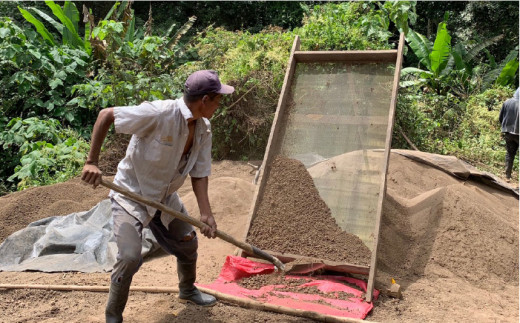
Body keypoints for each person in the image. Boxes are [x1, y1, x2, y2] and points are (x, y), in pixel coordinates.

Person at [81, 70, 234, 323]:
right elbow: (106, 115)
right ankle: (113, 317)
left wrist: (206, 214)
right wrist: (91, 161)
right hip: (131, 196)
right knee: (130, 256)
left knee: (188, 242)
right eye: (218, 99)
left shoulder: (204, 129)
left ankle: (187, 290)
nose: (220, 104)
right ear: (205, 100)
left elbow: (199, 173)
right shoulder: (159, 113)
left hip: (165, 199)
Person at [498, 88, 519, 182]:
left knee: (510, 154)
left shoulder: (507, 102)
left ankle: (507, 176)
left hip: (508, 133)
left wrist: (506, 128)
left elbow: (500, 118)